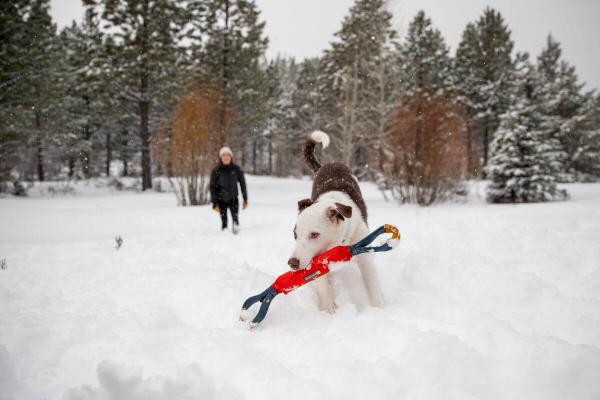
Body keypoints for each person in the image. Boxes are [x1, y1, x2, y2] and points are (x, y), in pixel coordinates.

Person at [209, 146, 248, 234]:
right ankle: (225, 241)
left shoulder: (236, 169)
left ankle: (238, 238)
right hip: (221, 200)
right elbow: (212, 187)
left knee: (235, 220)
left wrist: (245, 199)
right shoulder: (216, 171)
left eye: (228, 155)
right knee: (224, 224)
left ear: (231, 157)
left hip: (233, 199)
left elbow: (243, 184)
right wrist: (214, 202)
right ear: (220, 157)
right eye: (223, 155)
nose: (226, 157)